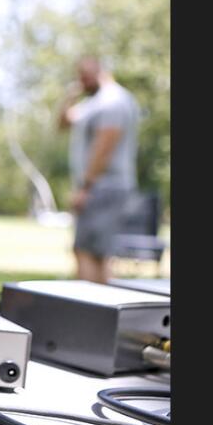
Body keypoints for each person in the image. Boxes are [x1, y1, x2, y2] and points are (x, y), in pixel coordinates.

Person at [57, 56, 140, 284]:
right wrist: (70, 96)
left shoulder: (112, 101)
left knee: (88, 252)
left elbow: (105, 146)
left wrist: (86, 187)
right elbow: (63, 123)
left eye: (84, 76)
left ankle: (91, 314)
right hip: (100, 187)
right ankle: (101, 315)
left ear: (99, 72)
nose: (81, 81)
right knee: (96, 253)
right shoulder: (94, 103)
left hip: (104, 187)